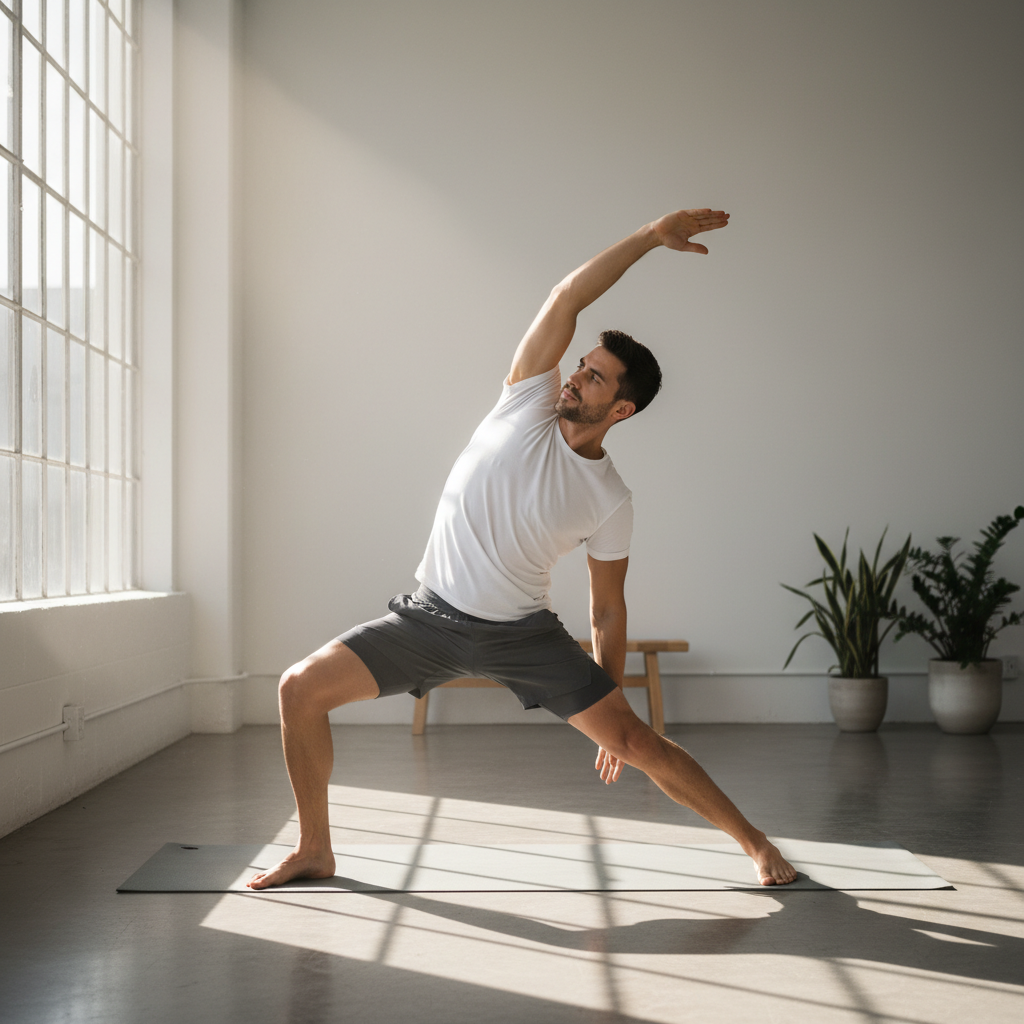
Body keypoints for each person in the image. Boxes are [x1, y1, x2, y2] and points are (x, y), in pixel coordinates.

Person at [248, 208, 797, 890]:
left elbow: (606, 610)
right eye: (583, 367)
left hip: (521, 637)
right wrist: (650, 239)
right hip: (426, 620)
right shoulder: (526, 401)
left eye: (596, 379)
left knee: (637, 742)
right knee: (299, 689)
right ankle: (315, 849)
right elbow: (566, 299)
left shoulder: (611, 499)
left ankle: (757, 846)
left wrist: (607, 689)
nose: (576, 378)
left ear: (621, 410)